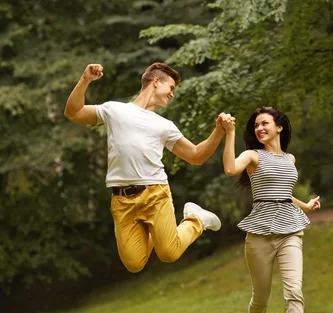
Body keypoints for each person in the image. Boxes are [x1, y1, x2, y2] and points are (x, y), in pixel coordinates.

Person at [64, 62, 231, 273]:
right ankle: (157, 230)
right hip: (122, 200)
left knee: (169, 253)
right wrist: (85, 79)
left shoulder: (164, 126)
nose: (172, 94)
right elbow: (73, 112)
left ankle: (196, 219)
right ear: (155, 82)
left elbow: (196, 156)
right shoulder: (115, 110)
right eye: (171, 88)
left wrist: (218, 132)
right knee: (134, 264)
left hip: (155, 193)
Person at [222, 106, 321, 313]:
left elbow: (284, 194)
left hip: (290, 229)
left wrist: (307, 205)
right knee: (261, 297)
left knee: (294, 291)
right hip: (260, 232)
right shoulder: (253, 156)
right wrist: (230, 133)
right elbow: (230, 168)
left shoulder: (290, 158)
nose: (259, 128)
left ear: (279, 127)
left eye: (264, 123)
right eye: (255, 125)